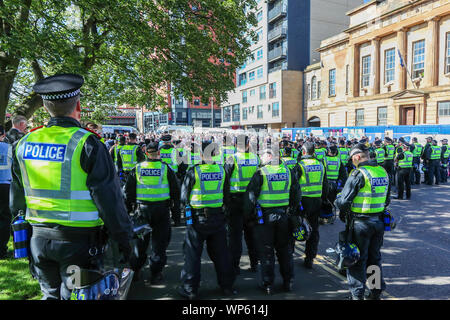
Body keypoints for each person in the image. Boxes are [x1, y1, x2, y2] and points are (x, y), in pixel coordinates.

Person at [9, 73, 134, 300]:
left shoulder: (23, 144)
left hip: (38, 239)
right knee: (78, 295)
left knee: (50, 295)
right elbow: (109, 201)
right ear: (78, 105)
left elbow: (16, 200)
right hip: (79, 244)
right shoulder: (88, 143)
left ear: (45, 107)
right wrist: (125, 241)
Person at [177, 141, 236, 300]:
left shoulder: (194, 171)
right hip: (217, 217)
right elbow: (227, 196)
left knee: (192, 256)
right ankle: (227, 287)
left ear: (201, 155)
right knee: (222, 255)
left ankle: (190, 290)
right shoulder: (222, 171)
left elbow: (184, 198)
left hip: (197, 219)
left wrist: (184, 215)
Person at [335, 143, 390, 300]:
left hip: (360, 224)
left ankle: (357, 295)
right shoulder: (382, 171)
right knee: (374, 258)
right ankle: (375, 292)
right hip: (378, 222)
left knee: (356, 260)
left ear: (357, 157)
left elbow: (344, 201)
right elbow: (387, 200)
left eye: (352, 159)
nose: (352, 162)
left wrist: (338, 201)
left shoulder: (358, 173)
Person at [243, 148, 301, 294]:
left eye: (262, 155)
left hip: (265, 219)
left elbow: (250, 198)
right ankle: (288, 282)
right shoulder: (288, 171)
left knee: (266, 252)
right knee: (285, 251)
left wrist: (248, 217)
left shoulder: (261, 172)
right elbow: (296, 194)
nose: (260, 159)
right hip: (284, 217)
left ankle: (268, 284)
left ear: (269, 156)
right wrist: (292, 211)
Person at [124, 141, 180, 284]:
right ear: (158, 153)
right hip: (161, 211)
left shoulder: (137, 168)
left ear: (146, 152)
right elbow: (175, 192)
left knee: (140, 243)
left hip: (142, 211)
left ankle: (136, 271)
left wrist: (128, 210)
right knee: (159, 244)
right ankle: (155, 273)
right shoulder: (165, 168)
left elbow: (128, 192)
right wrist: (176, 215)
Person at [224, 135, 260, 275]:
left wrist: (225, 203)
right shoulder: (255, 158)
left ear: (234, 145)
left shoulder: (232, 159)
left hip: (236, 201)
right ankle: (254, 263)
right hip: (251, 201)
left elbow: (225, 181)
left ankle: (234, 266)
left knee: (235, 236)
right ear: (247, 144)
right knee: (252, 235)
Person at [297, 142, 328, 269]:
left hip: (302, 201)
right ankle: (310, 258)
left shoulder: (300, 165)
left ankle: (288, 253)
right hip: (316, 200)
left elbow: (294, 185)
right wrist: (324, 199)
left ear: (303, 152)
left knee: (295, 226)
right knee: (314, 230)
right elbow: (325, 184)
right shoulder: (320, 164)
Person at [321, 145, 348, 222]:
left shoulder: (324, 160)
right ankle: (329, 216)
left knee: (324, 200)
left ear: (328, 152)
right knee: (331, 200)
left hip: (325, 184)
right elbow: (343, 174)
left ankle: (324, 217)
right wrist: (341, 184)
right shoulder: (338, 160)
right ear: (336, 152)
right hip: (334, 184)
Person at [0, 125, 12, 259]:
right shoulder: (8, 148)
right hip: (4, 185)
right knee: (4, 218)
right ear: (3, 134)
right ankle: (1, 250)